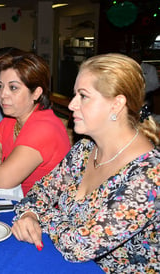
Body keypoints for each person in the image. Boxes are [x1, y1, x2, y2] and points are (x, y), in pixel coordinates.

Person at [11, 53, 160, 273]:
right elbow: (39, 191)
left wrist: (41, 215)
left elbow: (78, 246)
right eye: (74, 95)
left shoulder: (149, 175)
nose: (71, 105)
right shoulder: (85, 149)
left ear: (117, 104)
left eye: (83, 96)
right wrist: (29, 214)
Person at [0, 52, 71, 196]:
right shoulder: (11, 120)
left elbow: (2, 180)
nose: (2, 94)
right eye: (0, 87)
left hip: (43, 213)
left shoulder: (43, 128)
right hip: (18, 201)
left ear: (36, 93)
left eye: (13, 88)